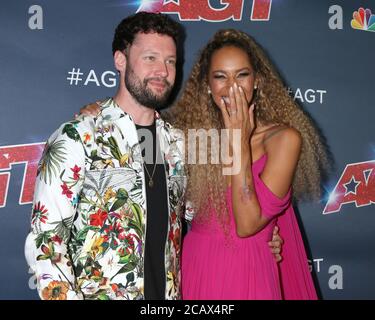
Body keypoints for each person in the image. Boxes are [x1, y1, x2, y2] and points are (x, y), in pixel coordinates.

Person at [24, 12, 283, 300]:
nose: (162, 70)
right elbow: (46, 243)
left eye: (170, 61)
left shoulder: (179, 143)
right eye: (150, 58)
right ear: (120, 60)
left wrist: (264, 237)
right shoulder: (79, 137)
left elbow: (203, 215)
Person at [165, 29, 329, 300]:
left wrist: (238, 140)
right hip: (196, 266)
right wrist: (98, 112)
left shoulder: (283, 139)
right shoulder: (194, 139)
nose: (232, 87)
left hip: (248, 271)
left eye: (242, 75)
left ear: (257, 81)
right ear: (206, 85)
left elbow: (247, 224)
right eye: (220, 76)